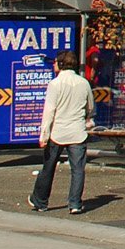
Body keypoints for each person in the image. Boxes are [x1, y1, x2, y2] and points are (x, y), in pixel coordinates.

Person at [29, 51, 95, 215]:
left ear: (60, 64)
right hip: (77, 132)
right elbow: (91, 107)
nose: (53, 65)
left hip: (57, 132)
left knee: (48, 167)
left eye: (55, 62)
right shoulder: (84, 83)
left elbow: (49, 111)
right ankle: (75, 203)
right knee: (78, 170)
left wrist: (44, 135)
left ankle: (40, 201)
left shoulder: (55, 84)